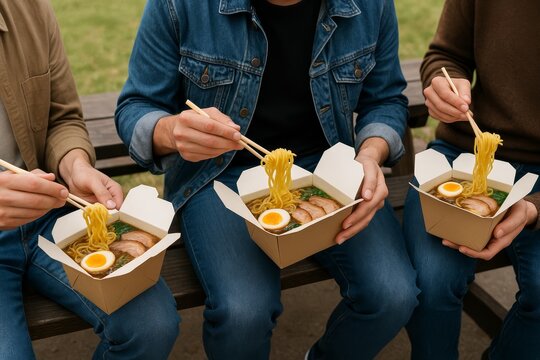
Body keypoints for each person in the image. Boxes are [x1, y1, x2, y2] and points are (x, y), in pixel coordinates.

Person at [116, 0, 418, 358]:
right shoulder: (180, 5)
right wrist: (169, 130)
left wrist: (369, 154)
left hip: (326, 166)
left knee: (392, 294)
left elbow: (385, 100)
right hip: (217, 172)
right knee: (244, 312)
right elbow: (136, 106)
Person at [0, 1, 180, 358]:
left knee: (152, 324)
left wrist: (74, 165)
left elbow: (61, 118)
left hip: (49, 217)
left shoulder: (29, 9)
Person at [403, 0, 540, 358]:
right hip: (463, 155)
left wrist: (534, 208)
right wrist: (444, 82)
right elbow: (445, 55)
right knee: (430, 282)